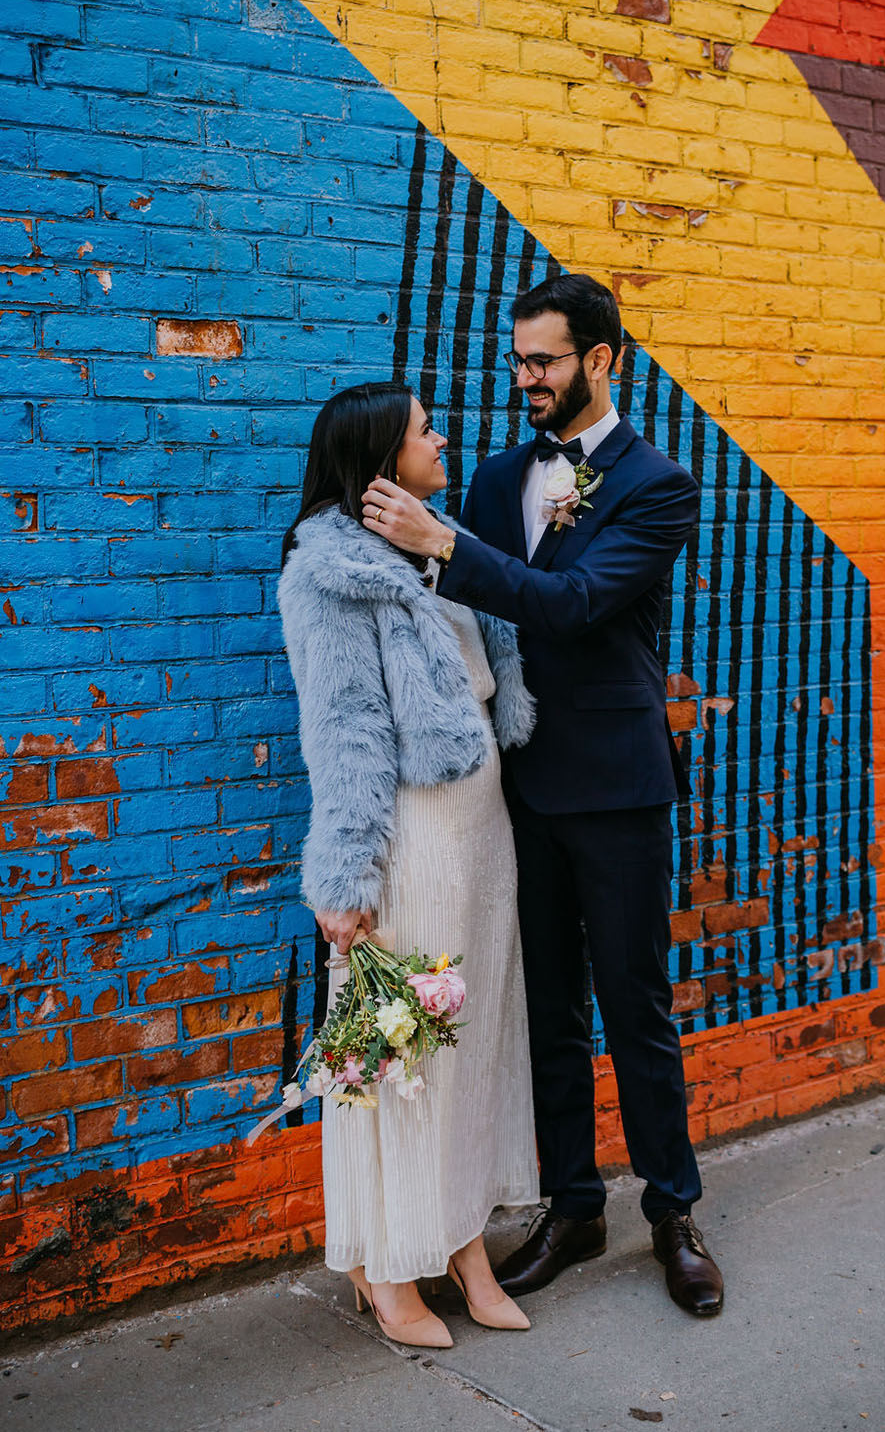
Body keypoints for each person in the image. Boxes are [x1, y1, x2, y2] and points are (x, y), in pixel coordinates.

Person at [361, 275, 724, 1318]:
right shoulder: (487, 478)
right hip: (507, 785)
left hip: (614, 787)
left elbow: (571, 606)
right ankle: (574, 1206)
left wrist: (448, 549)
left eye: (544, 360)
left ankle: (672, 1209)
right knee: (548, 1011)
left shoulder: (659, 483)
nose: (524, 377)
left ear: (601, 359)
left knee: (635, 1003)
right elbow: (455, 626)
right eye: (518, 359)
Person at [278, 383, 540, 1349]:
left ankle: (463, 1241)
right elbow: (342, 735)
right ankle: (387, 1268)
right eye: (427, 429)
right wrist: (345, 885)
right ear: (382, 461)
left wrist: (446, 548)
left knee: (467, 1051)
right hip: (409, 842)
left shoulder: (442, 548)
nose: (444, 438)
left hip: (483, 836)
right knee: (395, 1061)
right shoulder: (329, 574)